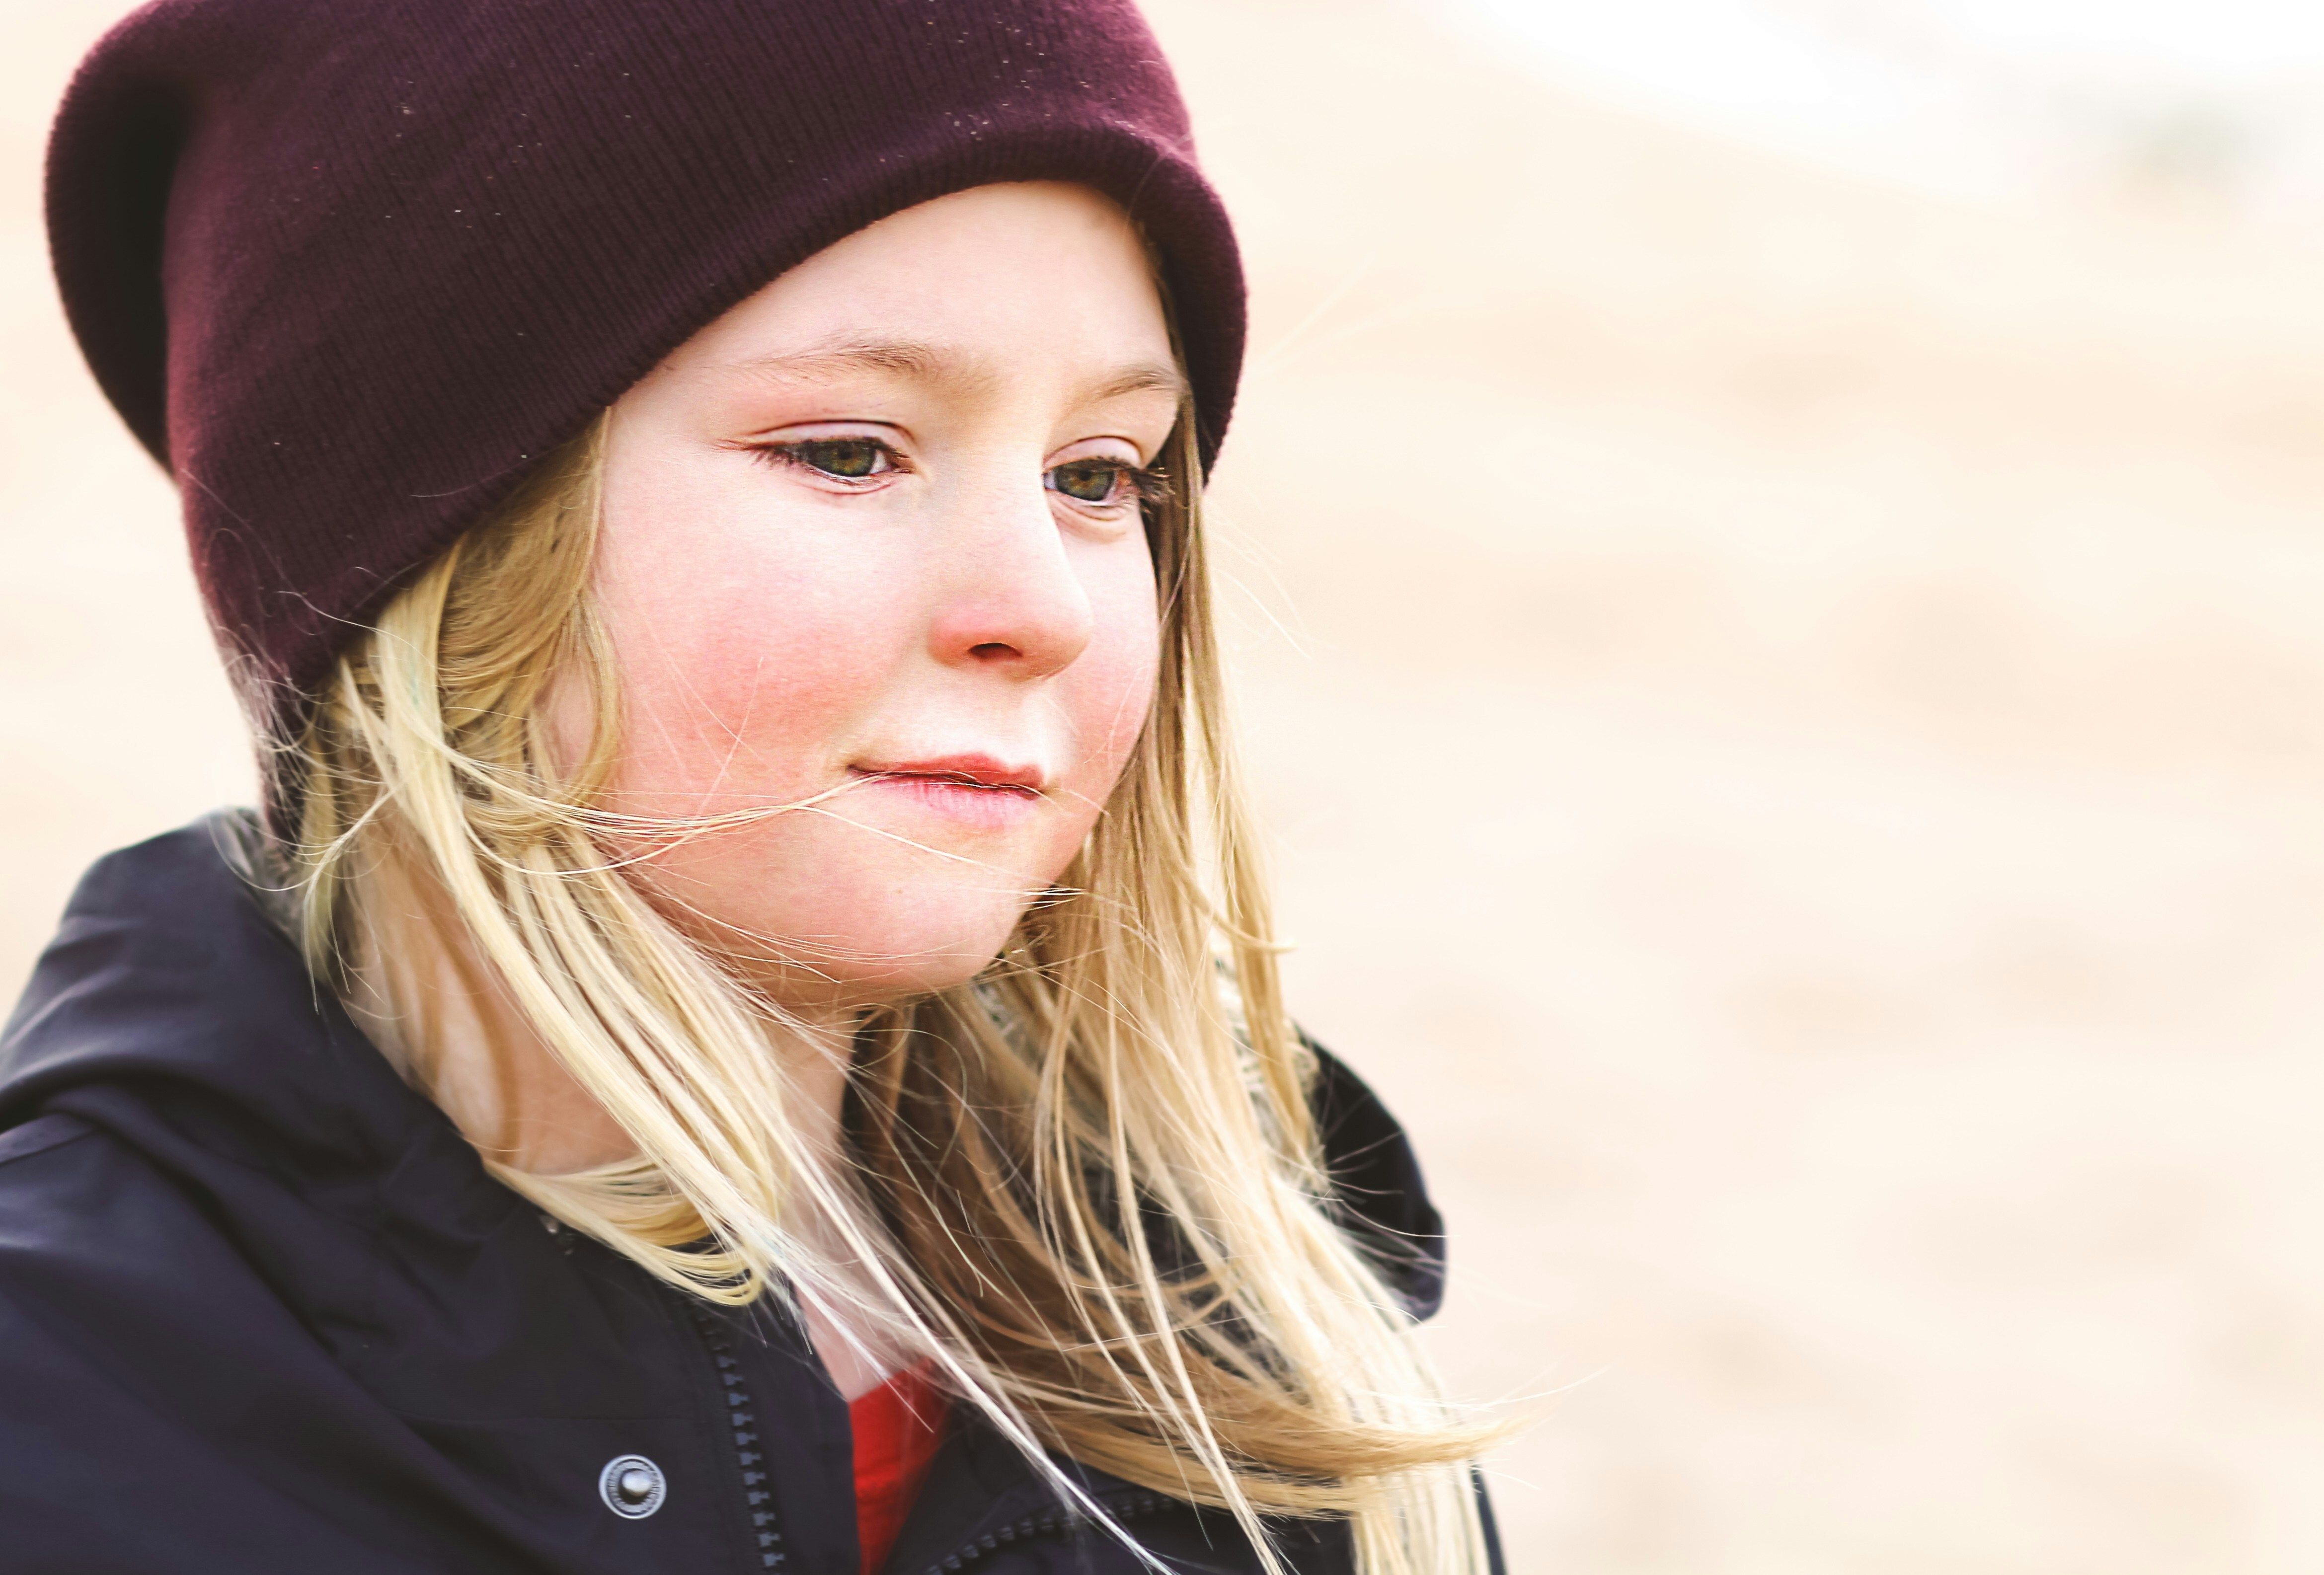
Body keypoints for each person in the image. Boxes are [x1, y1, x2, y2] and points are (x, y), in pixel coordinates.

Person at [1, 2, 1506, 1572]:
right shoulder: (66, 1416)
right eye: (852, 452)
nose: (1042, 602)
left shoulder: (1259, 1376)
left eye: (1097, 474)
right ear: (438, 555)